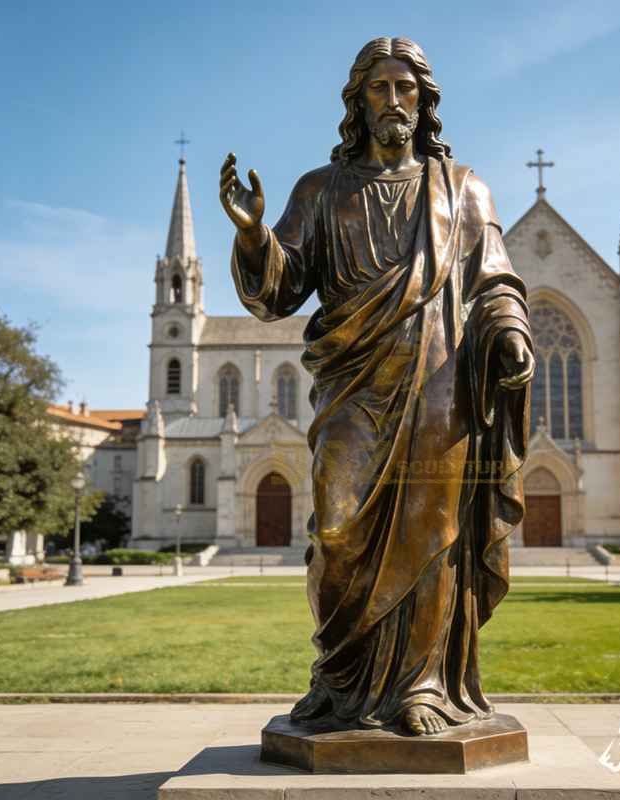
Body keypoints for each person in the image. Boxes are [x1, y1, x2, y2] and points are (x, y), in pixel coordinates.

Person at [220, 36, 534, 736]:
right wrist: (252, 238)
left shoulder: (464, 189)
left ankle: (422, 687)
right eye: (379, 88)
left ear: (424, 102)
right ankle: (338, 682)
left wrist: (510, 330)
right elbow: (279, 292)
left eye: (405, 88)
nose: (393, 100)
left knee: (434, 537)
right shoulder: (319, 190)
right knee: (336, 531)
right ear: (357, 102)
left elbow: (496, 281)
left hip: (439, 389)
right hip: (352, 390)